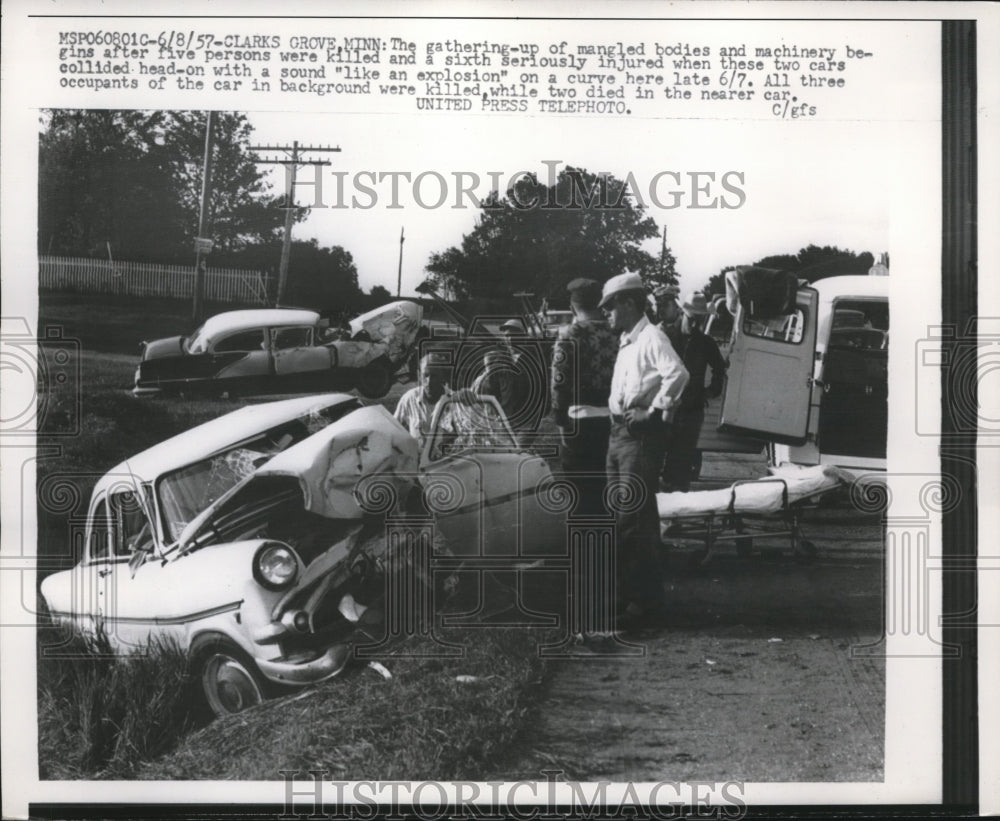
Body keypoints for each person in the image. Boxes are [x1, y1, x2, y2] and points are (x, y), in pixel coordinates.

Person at [601, 272, 689, 628]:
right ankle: (633, 598)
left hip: (637, 437)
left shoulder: (652, 337)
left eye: (610, 307)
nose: (607, 314)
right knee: (628, 518)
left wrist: (655, 411)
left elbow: (678, 374)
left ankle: (639, 604)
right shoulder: (628, 340)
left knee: (631, 519)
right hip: (618, 434)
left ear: (628, 304)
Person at [550, 278, 617, 514]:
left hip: (578, 423)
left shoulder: (568, 335)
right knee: (608, 489)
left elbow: (559, 383)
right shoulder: (618, 333)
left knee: (579, 493)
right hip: (613, 421)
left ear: (572, 307)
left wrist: (560, 421)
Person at [660, 292, 727, 492]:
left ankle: (677, 512)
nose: (697, 323)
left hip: (692, 409)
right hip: (666, 406)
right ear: (682, 313)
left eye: (701, 319)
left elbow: (719, 368)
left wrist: (711, 391)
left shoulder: (706, 342)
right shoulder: (665, 338)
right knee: (661, 459)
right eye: (693, 318)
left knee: (683, 462)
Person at [394, 352, 452, 448]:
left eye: (434, 376)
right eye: (426, 375)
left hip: (446, 461)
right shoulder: (409, 399)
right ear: (419, 375)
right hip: (417, 460)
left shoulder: (454, 402)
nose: (429, 381)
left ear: (442, 376)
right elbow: (393, 430)